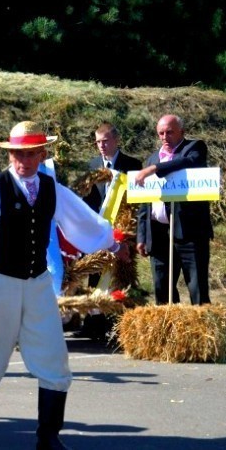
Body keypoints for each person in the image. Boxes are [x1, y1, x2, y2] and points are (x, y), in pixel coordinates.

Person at [0, 120, 129, 450]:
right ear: (10, 154)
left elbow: (80, 219)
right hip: (1, 282)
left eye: (30, 154)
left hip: (37, 282)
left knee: (55, 358)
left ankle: (48, 437)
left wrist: (112, 243)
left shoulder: (50, 188)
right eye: (17, 154)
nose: (23, 161)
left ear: (41, 154)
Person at [135, 114, 213, 305]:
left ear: (182, 132)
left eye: (170, 132)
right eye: (161, 133)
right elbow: (145, 203)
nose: (164, 137)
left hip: (189, 233)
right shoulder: (153, 158)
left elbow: (188, 162)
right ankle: (168, 328)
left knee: (196, 287)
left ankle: (201, 328)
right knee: (162, 286)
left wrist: (154, 169)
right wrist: (142, 236)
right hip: (159, 234)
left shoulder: (194, 148)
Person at [78, 122, 141, 340]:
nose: (101, 146)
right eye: (98, 142)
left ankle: (118, 323)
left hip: (123, 229)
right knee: (95, 274)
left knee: (120, 276)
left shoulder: (133, 165)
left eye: (105, 141)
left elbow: (138, 201)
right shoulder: (92, 165)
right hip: (97, 230)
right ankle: (93, 323)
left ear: (116, 140)